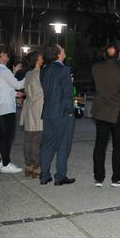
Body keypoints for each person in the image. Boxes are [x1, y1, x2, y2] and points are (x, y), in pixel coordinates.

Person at [91, 42, 120, 187]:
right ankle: (116, 178)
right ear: (119, 55)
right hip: (118, 112)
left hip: (101, 111)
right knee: (118, 147)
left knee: (100, 145)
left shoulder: (96, 68)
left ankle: (98, 178)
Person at [39, 44, 76, 185]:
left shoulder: (44, 70)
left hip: (48, 112)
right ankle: (60, 176)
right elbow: (67, 94)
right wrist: (70, 111)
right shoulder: (64, 70)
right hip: (62, 113)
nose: (65, 50)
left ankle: (44, 175)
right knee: (63, 145)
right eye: (63, 49)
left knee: (47, 145)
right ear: (58, 54)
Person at [0, 48, 25, 174]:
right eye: (4, 54)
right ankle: (6, 163)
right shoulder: (4, 70)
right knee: (7, 136)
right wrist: (31, 74)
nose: (7, 55)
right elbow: (18, 85)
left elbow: (2, 87)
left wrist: (14, 92)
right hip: (6, 108)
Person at [19, 51, 44, 179]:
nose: (42, 58)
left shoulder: (28, 74)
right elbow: (42, 91)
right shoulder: (40, 74)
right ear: (37, 60)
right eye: (40, 57)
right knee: (36, 140)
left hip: (28, 108)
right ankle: (36, 166)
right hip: (38, 108)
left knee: (28, 139)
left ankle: (28, 165)